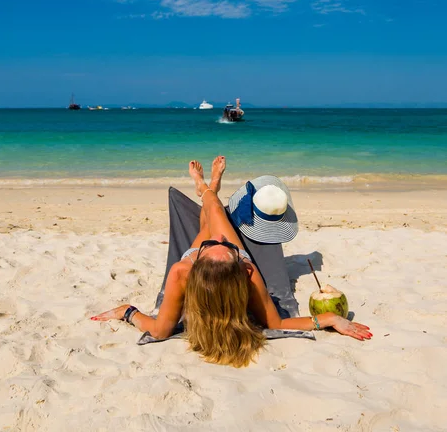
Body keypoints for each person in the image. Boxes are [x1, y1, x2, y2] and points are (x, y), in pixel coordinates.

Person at [92, 157, 372, 367]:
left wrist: (127, 312)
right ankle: (209, 188)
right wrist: (330, 319)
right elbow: (277, 323)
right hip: (219, 262)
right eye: (226, 246)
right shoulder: (245, 269)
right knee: (216, 218)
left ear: (198, 263)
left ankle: (206, 189)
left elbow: (158, 330)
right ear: (241, 263)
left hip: (211, 261)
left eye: (220, 245)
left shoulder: (183, 270)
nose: (220, 241)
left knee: (212, 217)